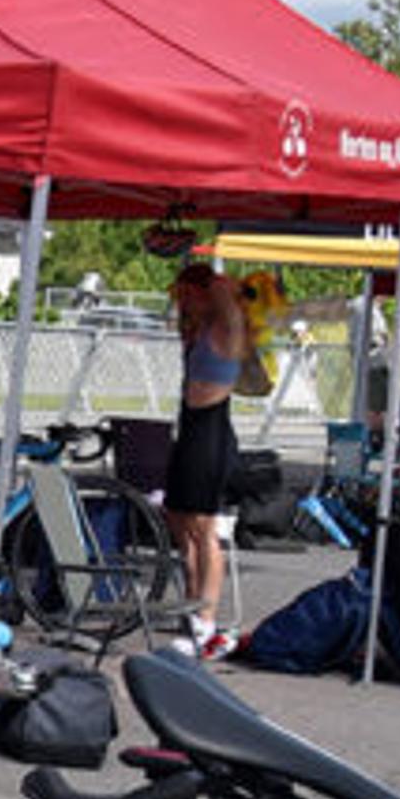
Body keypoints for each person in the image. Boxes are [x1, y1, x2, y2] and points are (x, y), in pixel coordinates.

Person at [165, 258, 247, 657]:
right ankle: (192, 603)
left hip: (211, 434)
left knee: (203, 526)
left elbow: (230, 302)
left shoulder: (225, 328)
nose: (181, 302)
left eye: (187, 295)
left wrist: (212, 280)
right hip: (190, 428)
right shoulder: (195, 330)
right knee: (178, 520)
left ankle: (207, 617)